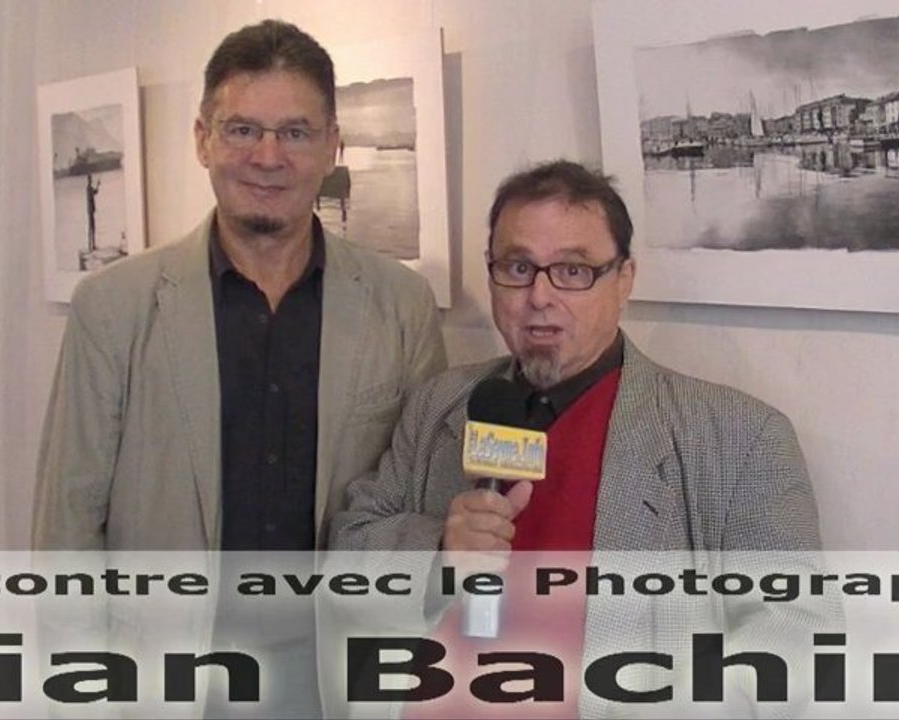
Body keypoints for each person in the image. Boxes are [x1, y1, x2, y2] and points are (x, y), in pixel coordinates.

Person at [329, 160, 824, 718]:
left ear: (624, 280)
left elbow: (794, 637)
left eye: (573, 270)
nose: (539, 296)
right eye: (518, 267)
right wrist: (439, 552)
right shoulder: (440, 405)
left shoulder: (739, 437)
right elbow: (348, 561)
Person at [33, 19, 446, 553]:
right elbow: (68, 522)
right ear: (203, 140)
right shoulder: (112, 308)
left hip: (340, 635)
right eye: (242, 130)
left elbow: (422, 506)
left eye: (295, 133)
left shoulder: (403, 306)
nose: (268, 158)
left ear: (331, 148)